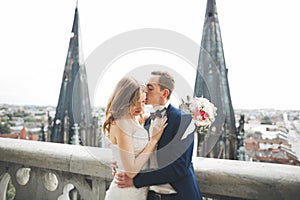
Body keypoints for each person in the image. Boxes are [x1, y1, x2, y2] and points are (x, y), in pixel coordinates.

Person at [115, 71, 203, 200]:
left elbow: (179, 167)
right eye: (145, 87)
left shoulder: (184, 120)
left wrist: (136, 181)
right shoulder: (147, 121)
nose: (145, 91)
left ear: (165, 93)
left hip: (179, 195)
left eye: (150, 88)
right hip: (150, 195)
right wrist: (120, 164)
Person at [103, 76, 168, 200]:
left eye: (143, 102)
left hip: (139, 190)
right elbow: (131, 171)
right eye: (135, 103)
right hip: (125, 192)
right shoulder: (120, 123)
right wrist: (153, 140)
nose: (141, 108)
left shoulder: (137, 117)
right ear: (123, 101)